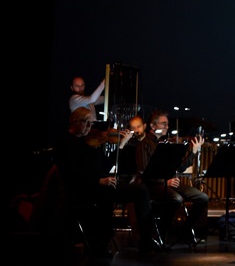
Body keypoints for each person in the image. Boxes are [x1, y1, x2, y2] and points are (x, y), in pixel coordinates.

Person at [51, 107, 155, 258]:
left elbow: (105, 165)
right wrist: (98, 181)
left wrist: (121, 145)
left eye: (90, 122)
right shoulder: (65, 142)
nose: (89, 126)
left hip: (100, 186)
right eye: (86, 122)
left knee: (140, 190)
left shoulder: (90, 142)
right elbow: (71, 173)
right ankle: (100, 243)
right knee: (105, 195)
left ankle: (147, 242)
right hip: (81, 190)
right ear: (74, 122)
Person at [136, 110, 210, 245]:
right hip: (154, 185)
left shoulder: (164, 144)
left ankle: (184, 231)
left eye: (167, 124)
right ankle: (161, 231)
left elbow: (179, 168)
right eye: (163, 124)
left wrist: (193, 152)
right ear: (153, 126)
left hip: (169, 182)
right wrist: (165, 181)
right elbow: (144, 173)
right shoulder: (144, 144)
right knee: (176, 199)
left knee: (202, 197)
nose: (167, 127)